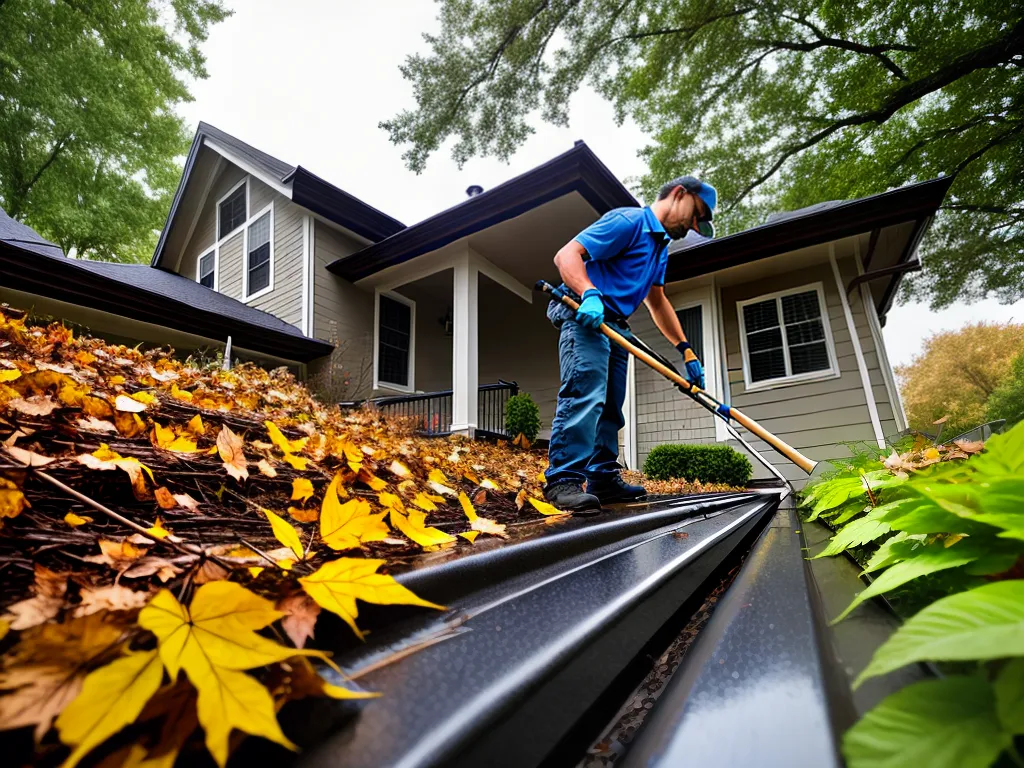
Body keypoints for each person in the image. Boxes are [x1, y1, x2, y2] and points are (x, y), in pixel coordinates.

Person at [543, 176, 717, 512]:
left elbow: (658, 302)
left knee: (610, 407)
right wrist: (590, 293)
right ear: (680, 194)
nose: (694, 226)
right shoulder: (630, 221)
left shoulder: (659, 248)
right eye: (696, 214)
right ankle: (562, 479)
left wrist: (687, 350)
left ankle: (603, 479)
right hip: (583, 311)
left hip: (616, 325)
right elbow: (567, 255)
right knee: (586, 392)